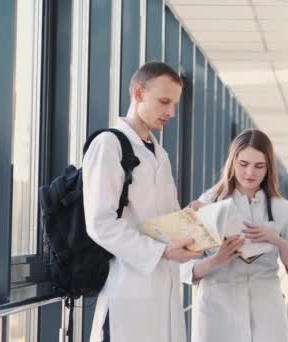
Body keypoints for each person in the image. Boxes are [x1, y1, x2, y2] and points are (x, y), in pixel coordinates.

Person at [83, 61, 201, 342]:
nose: (171, 112)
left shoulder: (159, 154)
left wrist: (190, 216)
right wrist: (160, 252)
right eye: (163, 102)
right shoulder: (109, 145)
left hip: (163, 292)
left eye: (174, 104)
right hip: (127, 292)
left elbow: (161, 219)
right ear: (138, 93)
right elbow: (100, 223)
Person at [182, 129, 288, 342]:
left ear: (269, 167)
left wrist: (277, 240)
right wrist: (217, 259)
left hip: (266, 311)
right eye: (243, 164)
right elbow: (184, 269)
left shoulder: (283, 209)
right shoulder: (209, 202)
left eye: (259, 166)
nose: (250, 173)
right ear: (232, 162)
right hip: (217, 309)